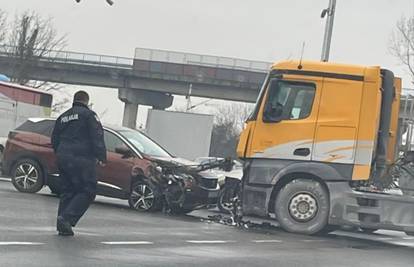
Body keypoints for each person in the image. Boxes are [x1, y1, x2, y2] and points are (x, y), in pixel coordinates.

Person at [51, 91, 106, 236]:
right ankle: (66, 219)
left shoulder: (63, 117)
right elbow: (97, 136)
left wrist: (60, 153)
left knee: (68, 190)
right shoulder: (89, 116)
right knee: (88, 190)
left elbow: (54, 138)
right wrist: (101, 156)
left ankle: (62, 224)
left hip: (63, 156)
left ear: (74, 100)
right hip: (82, 157)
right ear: (86, 101)